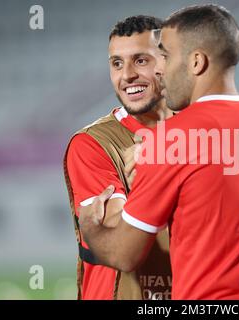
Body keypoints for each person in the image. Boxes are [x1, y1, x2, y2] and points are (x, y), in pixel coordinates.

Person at [78, 4, 239, 300]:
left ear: (197, 62)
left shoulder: (171, 142)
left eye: (165, 55)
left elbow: (124, 255)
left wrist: (90, 227)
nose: (159, 69)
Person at [63, 15, 172, 300]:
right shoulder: (90, 144)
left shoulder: (199, 138)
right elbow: (117, 239)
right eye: (117, 63)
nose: (127, 76)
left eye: (140, 60)